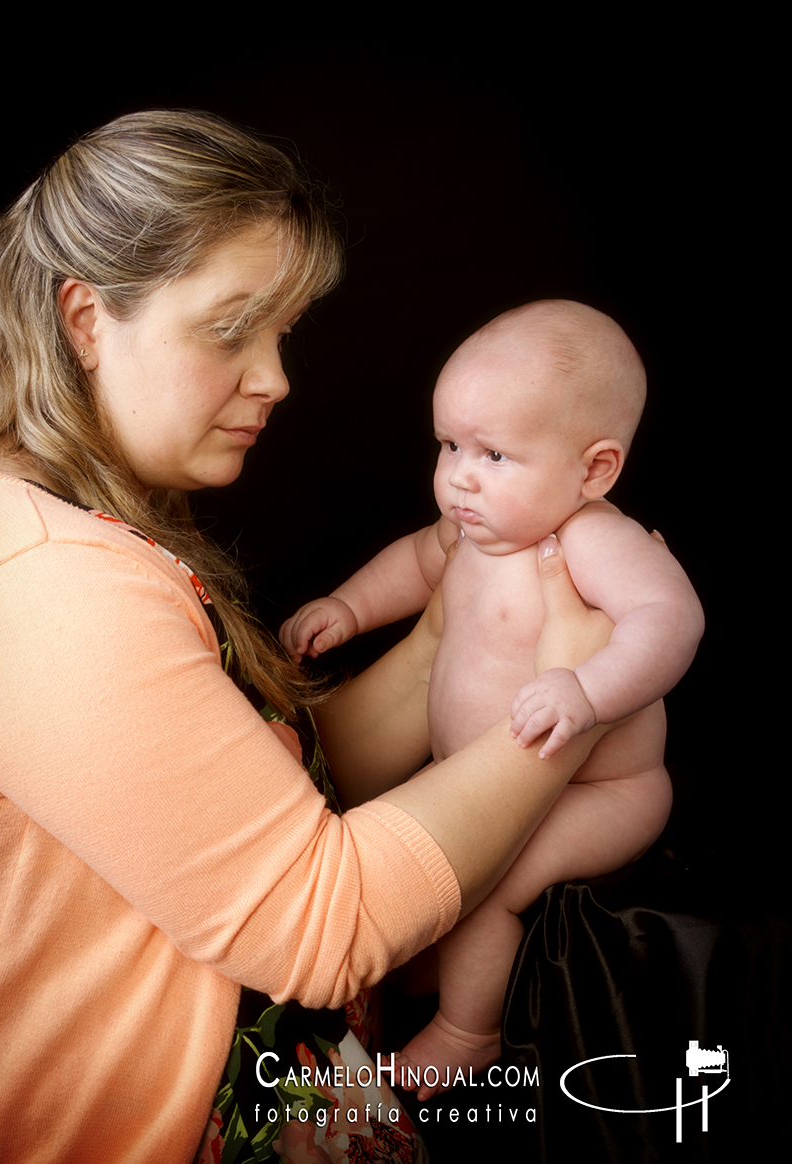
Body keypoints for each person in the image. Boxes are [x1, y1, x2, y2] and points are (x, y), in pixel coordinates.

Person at [0, 115, 617, 1164]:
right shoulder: (39, 583)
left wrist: (454, 625)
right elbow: (326, 919)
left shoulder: (36, 522)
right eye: (230, 329)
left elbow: (265, 804)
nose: (276, 378)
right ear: (86, 320)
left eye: (279, 333)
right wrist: (586, 692)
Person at [281, 300, 704, 1098]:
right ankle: (431, 967)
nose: (460, 477)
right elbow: (410, 565)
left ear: (595, 469)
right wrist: (347, 608)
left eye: (497, 455)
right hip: (477, 773)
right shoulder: (471, 531)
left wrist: (587, 687)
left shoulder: (590, 540)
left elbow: (672, 620)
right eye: (449, 446)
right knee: (432, 845)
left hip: (602, 791)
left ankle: (465, 1034)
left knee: (491, 878)